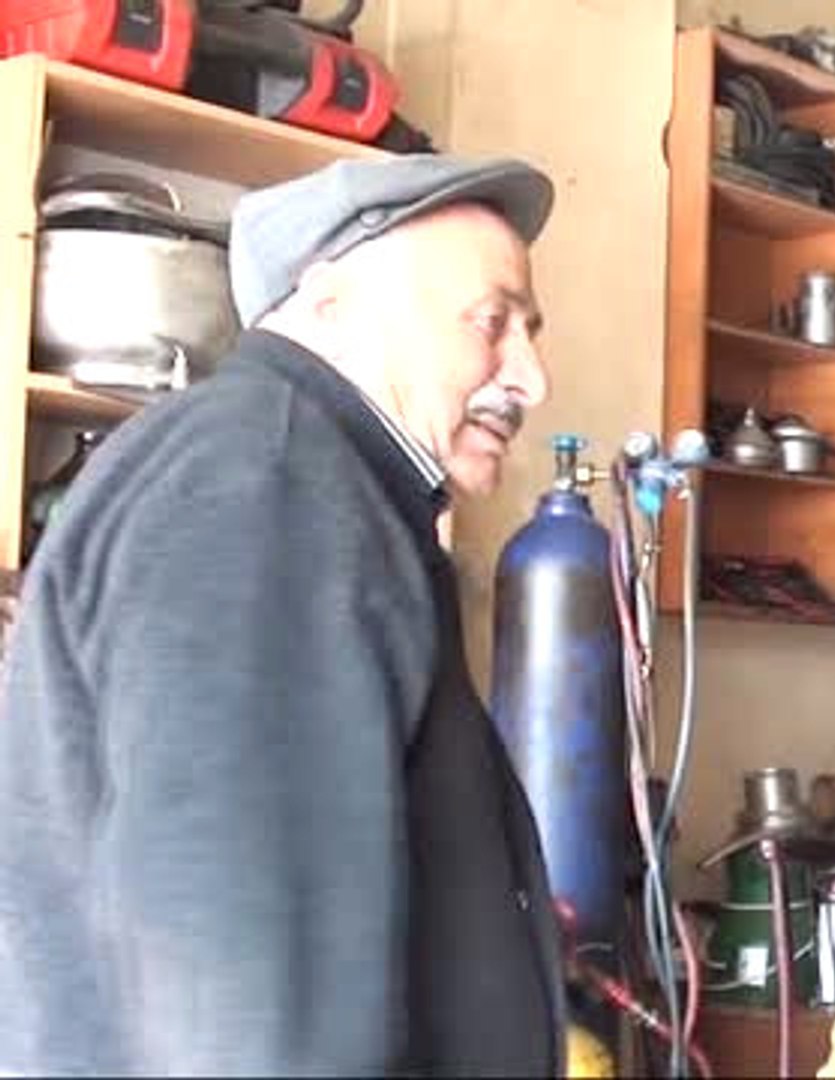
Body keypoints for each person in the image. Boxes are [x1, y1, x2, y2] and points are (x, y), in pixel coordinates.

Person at [0, 155, 566, 1075]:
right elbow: (249, 971)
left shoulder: (307, 480)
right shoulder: (269, 485)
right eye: (491, 322)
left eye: (530, 333)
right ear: (330, 300)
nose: (531, 379)